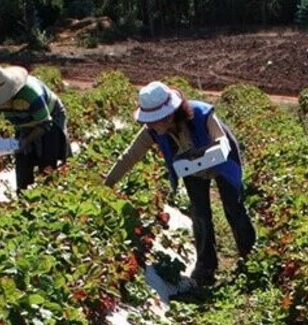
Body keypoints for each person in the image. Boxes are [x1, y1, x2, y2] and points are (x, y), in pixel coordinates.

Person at [104, 81, 256, 292]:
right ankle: (205, 268)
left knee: (234, 207)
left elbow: (221, 139)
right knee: (200, 214)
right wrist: (107, 183)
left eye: (161, 118)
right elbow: (130, 156)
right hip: (191, 167)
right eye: (153, 120)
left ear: (173, 111)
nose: (157, 124)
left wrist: (211, 152)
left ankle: (250, 256)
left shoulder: (201, 114)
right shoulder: (152, 132)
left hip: (222, 159)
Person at [0, 64, 71, 191]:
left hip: (50, 115)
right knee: (23, 158)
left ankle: (49, 192)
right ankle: (24, 197)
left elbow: (45, 124)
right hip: (23, 121)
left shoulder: (31, 94)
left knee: (48, 158)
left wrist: (27, 140)